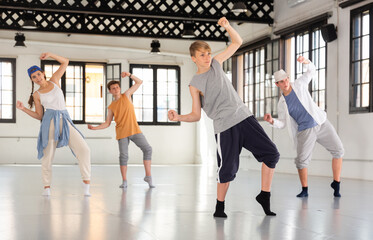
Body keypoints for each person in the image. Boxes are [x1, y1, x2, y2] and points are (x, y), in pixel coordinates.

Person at [168, 17, 280, 217]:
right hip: (225, 127)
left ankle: (265, 195)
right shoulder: (195, 84)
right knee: (227, 170)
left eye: (208, 53)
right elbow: (195, 115)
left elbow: (238, 43)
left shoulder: (217, 64)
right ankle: (219, 207)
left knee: (272, 154)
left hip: (244, 118)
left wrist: (228, 27)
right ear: (193, 58)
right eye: (202, 55)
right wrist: (178, 117)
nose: (207, 57)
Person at [264, 56, 344, 198]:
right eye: (282, 82)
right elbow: (282, 123)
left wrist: (306, 62)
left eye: (286, 79)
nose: (286, 83)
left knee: (338, 150)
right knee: (301, 161)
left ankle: (336, 184)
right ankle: (305, 189)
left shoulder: (299, 84)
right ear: (277, 84)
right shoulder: (282, 103)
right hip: (305, 131)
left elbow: (311, 71)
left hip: (321, 122)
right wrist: (272, 121)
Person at [16, 52, 91, 196]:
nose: (37, 78)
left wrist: (50, 54)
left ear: (43, 73)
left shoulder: (55, 80)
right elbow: (39, 115)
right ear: (31, 80)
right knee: (48, 155)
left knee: (84, 149)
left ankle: (86, 184)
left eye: (38, 74)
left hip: (64, 118)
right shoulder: (36, 95)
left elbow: (66, 61)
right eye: (34, 77)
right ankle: (47, 187)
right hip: (49, 121)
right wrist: (23, 109)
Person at [88, 72, 154, 189]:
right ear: (110, 91)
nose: (116, 89)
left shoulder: (127, 95)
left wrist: (129, 74)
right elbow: (107, 123)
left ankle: (148, 176)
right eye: (113, 88)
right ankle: (124, 180)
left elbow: (139, 82)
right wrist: (94, 128)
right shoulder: (111, 107)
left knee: (147, 149)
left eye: (117, 87)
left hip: (135, 130)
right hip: (122, 133)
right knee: (124, 156)